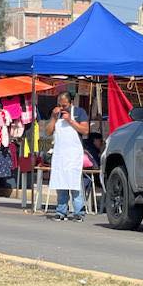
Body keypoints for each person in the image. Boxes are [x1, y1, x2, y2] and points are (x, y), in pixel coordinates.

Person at [44, 92, 89, 222]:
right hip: (60, 153)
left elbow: (85, 131)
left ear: (71, 103)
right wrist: (53, 117)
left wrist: (70, 120)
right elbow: (48, 132)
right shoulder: (56, 114)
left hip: (74, 153)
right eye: (59, 105)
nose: (62, 108)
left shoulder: (80, 112)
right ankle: (61, 210)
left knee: (75, 183)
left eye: (64, 105)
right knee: (61, 182)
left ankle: (79, 212)